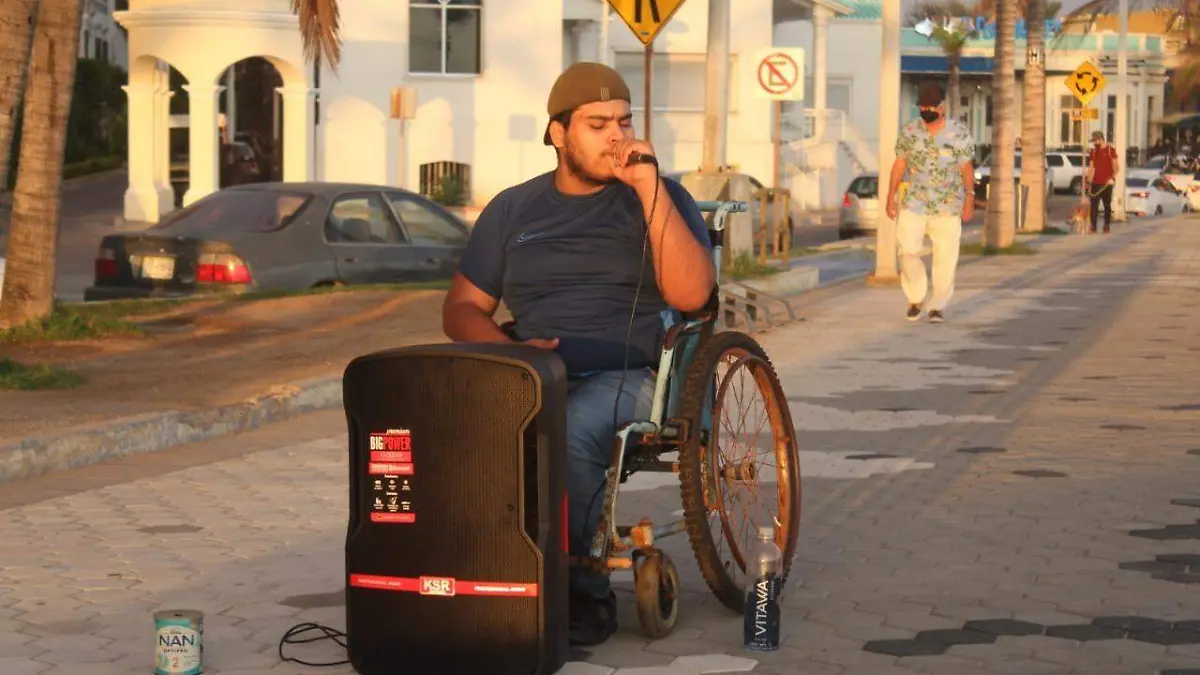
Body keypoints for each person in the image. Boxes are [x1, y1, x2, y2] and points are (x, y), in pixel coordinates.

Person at [441, 62, 716, 646]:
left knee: (566, 427)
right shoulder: (513, 210)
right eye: (597, 124)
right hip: (536, 373)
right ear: (558, 133)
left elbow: (693, 296)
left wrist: (649, 189)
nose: (617, 136)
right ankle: (472, 576)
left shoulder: (659, 198)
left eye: (623, 121)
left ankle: (579, 593)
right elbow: (462, 309)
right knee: (440, 422)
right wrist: (513, 356)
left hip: (636, 372)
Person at [885, 81, 976, 324]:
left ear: (942, 107)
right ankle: (915, 298)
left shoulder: (958, 132)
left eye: (930, 106)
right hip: (915, 202)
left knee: (945, 256)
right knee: (906, 251)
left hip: (948, 205)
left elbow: (966, 167)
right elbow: (900, 164)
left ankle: (937, 306)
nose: (926, 111)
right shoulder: (909, 131)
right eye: (922, 106)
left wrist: (970, 198)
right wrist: (890, 196)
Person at [1087, 130, 1119, 233]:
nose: (1094, 143)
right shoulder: (1093, 152)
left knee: (1107, 206)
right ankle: (1093, 226)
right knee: (1093, 207)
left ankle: (1106, 225)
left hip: (1107, 183)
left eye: (1095, 141)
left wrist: (1113, 178)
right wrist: (1088, 181)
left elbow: (1116, 167)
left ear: (1100, 139)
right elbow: (1091, 167)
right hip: (1096, 183)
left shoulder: (1110, 150)